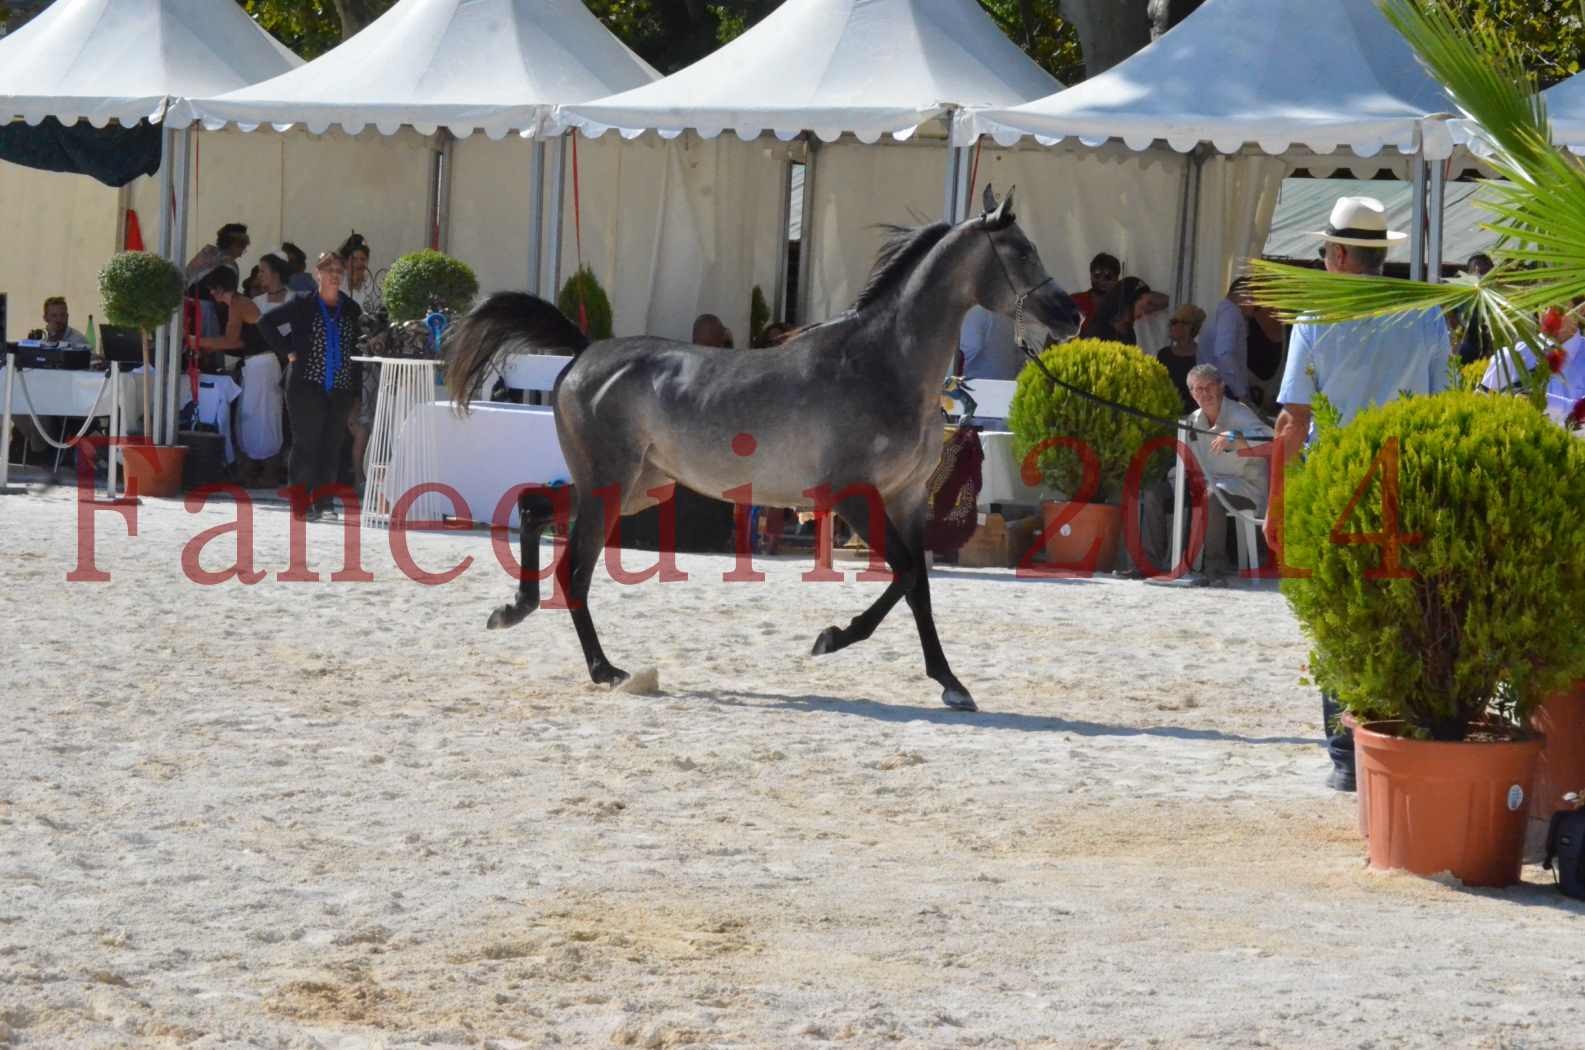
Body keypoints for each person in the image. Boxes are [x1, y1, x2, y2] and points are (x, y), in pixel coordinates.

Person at [1267, 196, 1452, 794]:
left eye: (1325, 251)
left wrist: (1280, 504)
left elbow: (1292, 420)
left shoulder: (1317, 314)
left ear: (1341, 255)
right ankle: (1396, 737)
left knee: (1336, 616)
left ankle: (1346, 755)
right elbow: (1439, 408)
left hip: (1338, 478)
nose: (1323, 260)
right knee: (1401, 615)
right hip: (1403, 478)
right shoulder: (1424, 314)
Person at [257, 252, 364, 521]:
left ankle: (324, 503)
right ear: (318, 273)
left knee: (332, 445)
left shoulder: (351, 309)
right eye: (329, 269)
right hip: (306, 384)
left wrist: (356, 391)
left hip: (339, 386)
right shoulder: (303, 304)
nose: (334, 274)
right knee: (306, 444)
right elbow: (265, 323)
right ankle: (301, 505)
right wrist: (289, 352)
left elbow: (356, 350)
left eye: (339, 270)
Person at [1138, 364, 1271, 582]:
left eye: (1209, 386)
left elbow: (1268, 437)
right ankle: (1150, 565)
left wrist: (1237, 437)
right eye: (1198, 389)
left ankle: (1214, 571)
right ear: (1191, 393)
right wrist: (1179, 477)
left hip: (1242, 486)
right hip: (1203, 483)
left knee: (1212, 496)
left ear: (1221, 387)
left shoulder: (1239, 413)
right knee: (1154, 491)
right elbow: (1185, 460)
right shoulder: (1192, 420)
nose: (1204, 393)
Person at [1155, 304, 1206, 412]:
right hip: (1167, 413)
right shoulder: (1164, 355)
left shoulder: (1203, 356)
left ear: (1190, 327)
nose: (1172, 326)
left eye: (1176, 322)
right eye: (1172, 322)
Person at [957, 305, 1023, 381]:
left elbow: (970, 347)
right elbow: (1019, 352)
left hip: (976, 383)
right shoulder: (1009, 311)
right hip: (1008, 382)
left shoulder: (973, 310)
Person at [186, 222, 250, 290]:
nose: (241, 254)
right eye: (242, 247)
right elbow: (227, 296)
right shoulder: (229, 266)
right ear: (234, 245)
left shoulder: (205, 253)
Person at [1071, 252, 1120, 323]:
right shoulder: (1075, 301)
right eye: (1097, 275)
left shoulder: (1122, 307)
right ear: (1091, 275)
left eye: (1108, 277)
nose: (1101, 280)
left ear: (1116, 279)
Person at [339, 232, 380, 314]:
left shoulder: (372, 286)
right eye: (354, 259)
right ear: (346, 262)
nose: (359, 263)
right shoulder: (338, 284)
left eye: (363, 259)